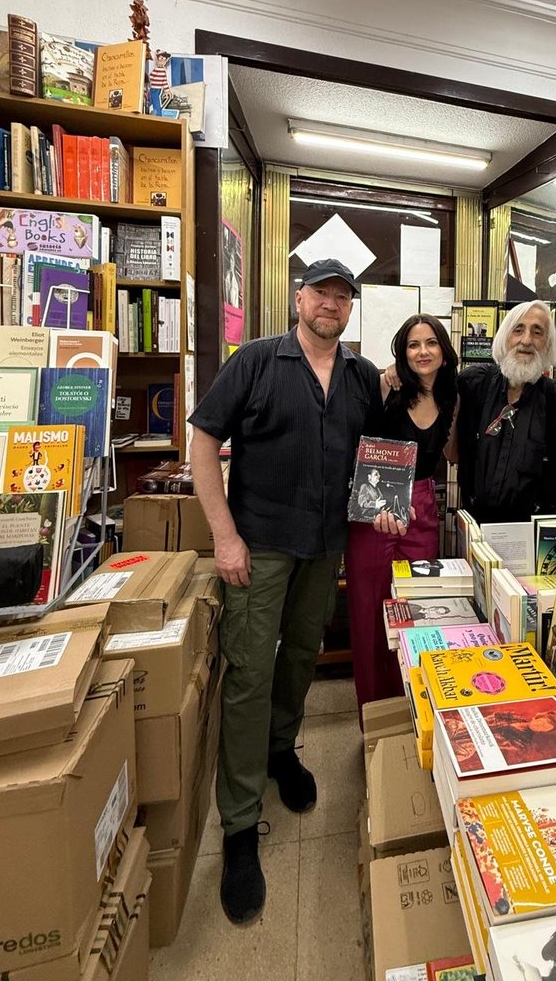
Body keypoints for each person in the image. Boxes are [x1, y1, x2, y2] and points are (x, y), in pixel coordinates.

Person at [188, 258, 383, 926]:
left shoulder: (359, 376)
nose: (331, 303)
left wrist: (384, 504)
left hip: (325, 544)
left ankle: (280, 751)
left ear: (350, 308)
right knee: (248, 670)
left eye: (343, 295)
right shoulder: (256, 362)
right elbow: (204, 441)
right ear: (299, 297)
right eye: (321, 292)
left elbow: (382, 453)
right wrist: (224, 537)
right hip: (259, 545)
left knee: (301, 656)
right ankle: (240, 825)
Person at [346, 313, 458, 720]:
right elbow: (359, 443)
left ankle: (415, 712)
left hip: (423, 506)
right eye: (413, 344)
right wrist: (383, 376)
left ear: (444, 352)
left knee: (417, 610)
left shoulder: (451, 397)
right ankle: (375, 715)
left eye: (431, 343)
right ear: (402, 352)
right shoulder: (386, 387)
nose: (422, 351)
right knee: (369, 610)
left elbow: (453, 453)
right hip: (374, 507)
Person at [454, 300, 556, 523]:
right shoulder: (475, 384)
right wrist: (396, 371)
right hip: (476, 533)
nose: (526, 340)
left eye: (537, 332)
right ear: (505, 337)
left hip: (533, 540)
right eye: (518, 329)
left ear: (547, 345)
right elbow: (433, 388)